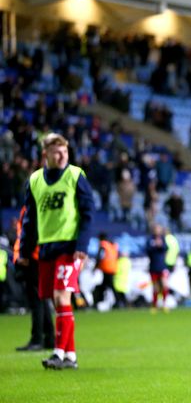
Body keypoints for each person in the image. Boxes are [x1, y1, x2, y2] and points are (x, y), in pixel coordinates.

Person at [20, 133, 95, 369]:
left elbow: (88, 212)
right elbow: (30, 220)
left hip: (70, 247)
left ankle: (58, 353)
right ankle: (71, 357)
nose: (62, 155)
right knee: (56, 300)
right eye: (57, 151)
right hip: (47, 248)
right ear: (45, 154)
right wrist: (24, 250)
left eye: (65, 150)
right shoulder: (34, 181)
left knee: (62, 296)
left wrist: (82, 245)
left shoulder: (75, 175)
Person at [13, 206, 55, 351]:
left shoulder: (31, 207)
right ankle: (50, 338)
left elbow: (30, 232)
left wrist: (24, 254)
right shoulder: (40, 205)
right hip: (40, 256)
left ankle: (37, 339)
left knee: (36, 300)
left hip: (32, 258)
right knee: (41, 299)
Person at [145, 224, 169, 313]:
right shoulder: (150, 239)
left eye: (159, 229)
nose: (157, 231)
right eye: (156, 229)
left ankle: (164, 304)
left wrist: (160, 245)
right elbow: (147, 250)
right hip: (153, 266)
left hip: (162, 266)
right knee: (155, 287)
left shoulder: (162, 239)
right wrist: (155, 246)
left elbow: (166, 248)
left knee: (165, 285)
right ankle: (154, 305)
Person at [92, 232, 119, 307]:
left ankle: (118, 301)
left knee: (109, 286)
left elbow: (100, 256)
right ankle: (100, 300)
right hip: (113, 268)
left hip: (106, 268)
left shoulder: (103, 245)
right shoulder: (112, 245)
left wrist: (95, 266)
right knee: (105, 285)